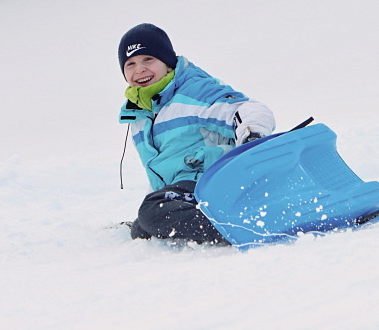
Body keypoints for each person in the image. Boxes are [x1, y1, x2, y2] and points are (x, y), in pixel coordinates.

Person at [118, 23, 276, 244]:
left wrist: (252, 136)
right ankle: (214, 223)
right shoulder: (141, 114)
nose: (139, 69)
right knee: (142, 227)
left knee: (152, 212)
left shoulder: (194, 91)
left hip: (212, 181)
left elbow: (250, 109)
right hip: (185, 189)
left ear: (167, 62)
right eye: (130, 64)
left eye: (148, 60)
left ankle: (238, 229)